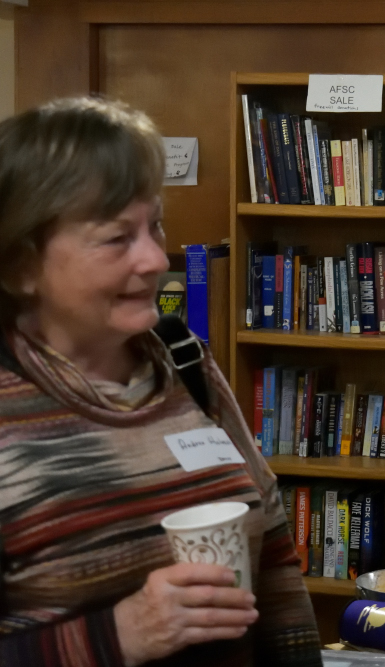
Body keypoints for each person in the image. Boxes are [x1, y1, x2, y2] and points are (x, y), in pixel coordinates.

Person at [0, 97, 322, 666]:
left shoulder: (183, 360)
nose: (153, 259)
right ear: (21, 265)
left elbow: (272, 548)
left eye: (155, 225)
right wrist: (120, 635)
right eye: (116, 238)